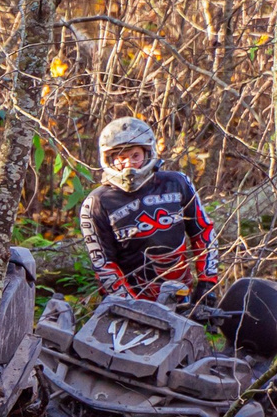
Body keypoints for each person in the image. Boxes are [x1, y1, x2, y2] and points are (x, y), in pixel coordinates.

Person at [78, 116, 217, 302]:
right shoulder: (97, 202)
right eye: (121, 158)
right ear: (109, 158)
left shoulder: (177, 183)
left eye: (135, 156)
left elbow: (202, 232)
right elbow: (104, 264)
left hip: (180, 297)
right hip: (127, 302)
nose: (129, 164)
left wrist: (207, 283)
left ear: (147, 152)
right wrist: (131, 305)